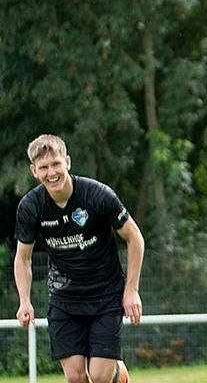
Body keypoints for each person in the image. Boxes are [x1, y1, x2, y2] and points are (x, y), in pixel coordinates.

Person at [14, 134, 144, 383]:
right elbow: (23, 259)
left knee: (99, 376)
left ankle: (120, 373)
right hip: (64, 298)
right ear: (34, 171)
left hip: (105, 295)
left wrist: (132, 290)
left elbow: (135, 238)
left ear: (68, 162)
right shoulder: (30, 207)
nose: (51, 173)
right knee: (75, 378)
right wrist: (24, 301)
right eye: (44, 167)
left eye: (56, 164)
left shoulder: (98, 195)